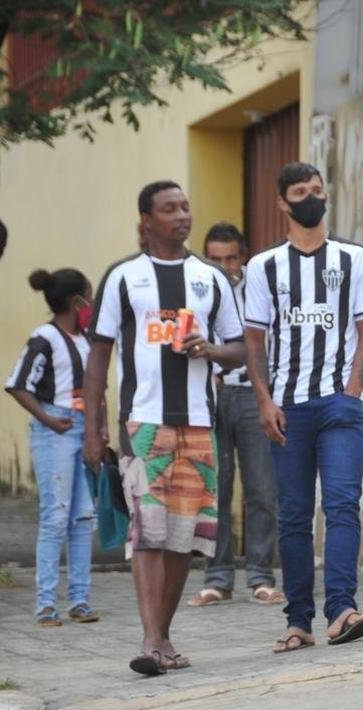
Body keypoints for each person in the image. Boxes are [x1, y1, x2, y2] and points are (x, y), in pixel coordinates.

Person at [83, 180, 246, 675]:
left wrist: (210, 349)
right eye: (169, 209)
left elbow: (240, 347)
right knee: (148, 531)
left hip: (199, 422)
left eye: (185, 206)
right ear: (147, 221)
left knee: (184, 537)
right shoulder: (123, 277)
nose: (182, 215)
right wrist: (94, 430)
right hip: (143, 423)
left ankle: (165, 636)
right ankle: (151, 639)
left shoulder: (209, 278)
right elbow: (98, 356)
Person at [243, 162, 363, 655]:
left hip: (339, 406)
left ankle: (342, 610)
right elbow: (254, 340)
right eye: (300, 192)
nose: (310, 198)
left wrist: (352, 390)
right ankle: (297, 620)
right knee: (295, 515)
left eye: (317, 190)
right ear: (283, 202)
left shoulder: (353, 258)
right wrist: (264, 400)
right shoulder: (263, 267)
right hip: (288, 408)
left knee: (343, 504)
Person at [188, 222, 284, 608]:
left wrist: (271, 395)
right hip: (209, 397)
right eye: (216, 258)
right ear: (205, 257)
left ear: (243, 257)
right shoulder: (197, 289)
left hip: (253, 395)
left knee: (262, 489)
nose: (225, 265)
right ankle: (217, 578)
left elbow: (270, 342)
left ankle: (261, 576)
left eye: (231, 257)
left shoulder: (261, 287)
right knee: (216, 491)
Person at [6, 268, 100, 627]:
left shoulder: (87, 339)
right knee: (55, 515)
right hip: (55, 429)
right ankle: (46, 603)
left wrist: (97, 429)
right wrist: (47, 419)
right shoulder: (44, 337)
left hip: (81, 426)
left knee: (82, 516)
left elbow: (96, 389)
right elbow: (17, 384)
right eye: (88, 298)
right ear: (76, 302)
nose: (91, 305)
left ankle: (79, 599)